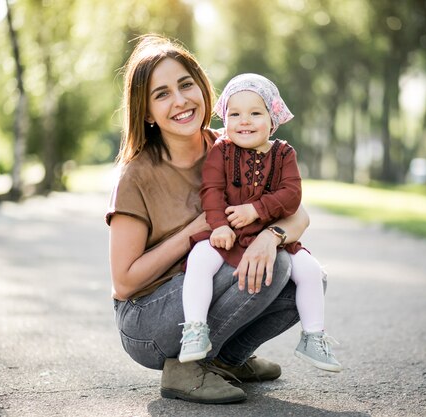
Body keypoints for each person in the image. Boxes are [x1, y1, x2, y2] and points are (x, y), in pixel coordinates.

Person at [107, 34, 313, 404]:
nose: (181, 100)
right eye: (162, 94)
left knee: (300, 279)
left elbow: (298, 214)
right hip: (147, 319)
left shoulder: (232, 144)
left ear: (203, 88)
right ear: (145, 112)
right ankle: (185, 369)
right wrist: (193, 230)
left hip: (207, 287)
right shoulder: (136, 176)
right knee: (266, 266)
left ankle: (226, 361)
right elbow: (124, 284)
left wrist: (271, 236)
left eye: (186, 85)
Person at [179, 73, 342, 373]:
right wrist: (219, 225)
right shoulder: (221, 151)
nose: (244, 121)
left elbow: (291, 195)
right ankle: (194, 329)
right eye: (235, 114)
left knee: (310, 271)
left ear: (272, 118)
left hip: (269, 233)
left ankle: (313, 336)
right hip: (228, 232)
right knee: (200, 259)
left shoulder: (283, 154)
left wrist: (256, 210)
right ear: (225, 119)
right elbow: (211, 191)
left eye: (255, 113)